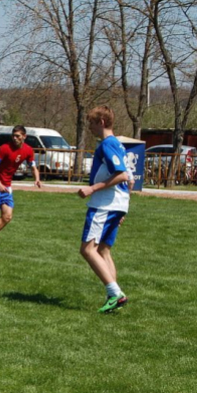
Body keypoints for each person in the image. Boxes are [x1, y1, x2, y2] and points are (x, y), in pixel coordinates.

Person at [78, 105, 133, 313]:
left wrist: (92, 188)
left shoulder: (107, 144)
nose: (90, 128)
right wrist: (123, 209)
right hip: (117, 204)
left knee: (87, 249)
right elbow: (130, 180)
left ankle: (115, 293)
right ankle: (114, 297)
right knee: (103, 250)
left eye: (91, 123)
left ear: (101, 122)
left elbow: (121, 175)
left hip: (104, 204)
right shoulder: (118, 144)